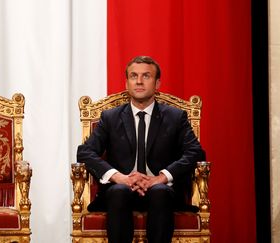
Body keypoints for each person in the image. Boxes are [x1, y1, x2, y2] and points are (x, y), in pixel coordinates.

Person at [77, 56, 205, 243]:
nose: (138, 81)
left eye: (146, 76)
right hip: (119, 190)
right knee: (119, 191)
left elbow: (195, 152)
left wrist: (160, 178)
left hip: (162, 192)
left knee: (160, 192)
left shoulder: (175, 117)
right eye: (133, 76)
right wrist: (119, 177)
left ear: (157, 83)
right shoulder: (110, 117)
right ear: (127, 82)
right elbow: (85, 152)